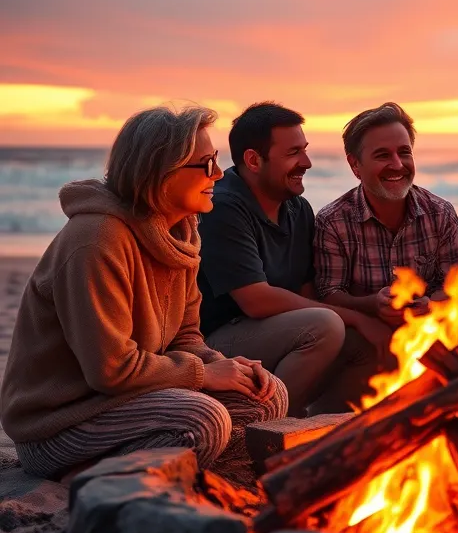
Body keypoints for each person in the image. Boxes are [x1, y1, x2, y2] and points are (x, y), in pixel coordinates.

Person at [0, 106, 287, 479]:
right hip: (61, 426)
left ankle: (192, 472)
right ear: (160, 172)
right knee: (204, 420)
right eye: (205, 163)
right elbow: (112, 370)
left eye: (215, 160)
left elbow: (185, 336)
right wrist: (205, 375)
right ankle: (87, 476)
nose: (218, 173)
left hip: (131, 400)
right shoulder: (97, 240)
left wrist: (223, 365)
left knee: (268, 397)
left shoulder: (182, 234)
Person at [198, 103, 364, 416]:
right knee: (327, 325)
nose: (307, 162)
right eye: (293, 153)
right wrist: (353, 316)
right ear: (253, 160)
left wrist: (364, 321)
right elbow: (256, 300)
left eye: (305, 150)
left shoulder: (297, 209)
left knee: (361, 342)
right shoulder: (222, 206)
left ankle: (319, 426)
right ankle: (262, 426)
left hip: (273, 334)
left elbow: (306, 292)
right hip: (216, 345)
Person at [314, 103, 458, 398]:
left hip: (433, 333)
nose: (397, 164)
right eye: (383, 155)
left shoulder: (441, 214)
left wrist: (429, 306)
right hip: (365, 341)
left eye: (404, 152)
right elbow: (327, 293)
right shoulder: (333, 221)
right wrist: (373, 304)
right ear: (355, 165)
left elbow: (457, 289)